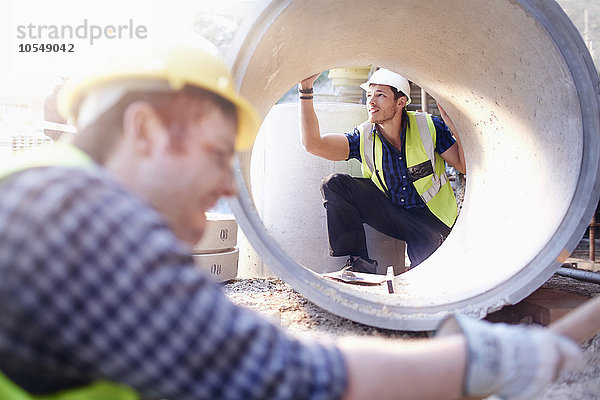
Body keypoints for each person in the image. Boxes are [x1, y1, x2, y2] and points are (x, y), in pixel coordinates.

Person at [0, 45, 584, 400]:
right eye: (214, 153)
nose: (230, 186)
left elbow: (477, 164)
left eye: (382, 94)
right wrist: (479, 362)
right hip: (397, 215)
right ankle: (355, 263)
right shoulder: (70, 220)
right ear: (146, 131)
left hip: (435, 223)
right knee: (338, 187)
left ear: (401, 101)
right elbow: (282, 376)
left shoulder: (56, 196)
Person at [299, 69, 465, 274]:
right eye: (369, 95)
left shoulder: (429, 126)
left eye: (380, 95)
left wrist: (455, 126)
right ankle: (360, 262)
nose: (371, 101)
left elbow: (463, 165)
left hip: (430, 221)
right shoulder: (364, 136)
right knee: (335, 184)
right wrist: (305, 90)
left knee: (425, 275)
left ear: (401, 102)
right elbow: (314, 145)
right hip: (392, 213)